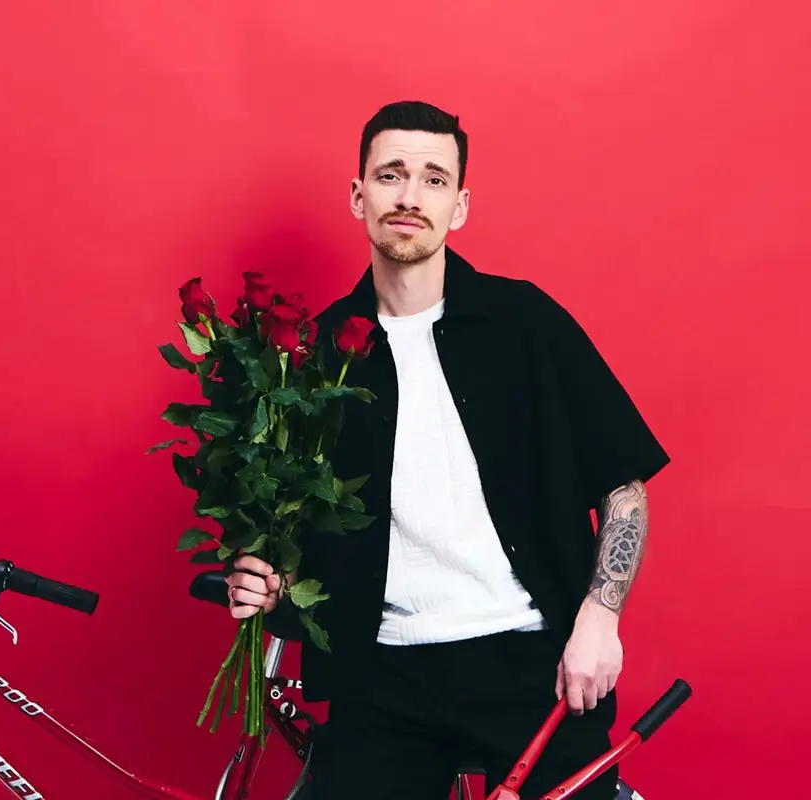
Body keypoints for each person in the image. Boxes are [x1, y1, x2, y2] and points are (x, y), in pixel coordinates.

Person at [223, 101, 670, 799]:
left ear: (458, 206)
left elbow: (623, 486)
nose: (410, 196)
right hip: (383, 674)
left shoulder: (525, 321)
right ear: (359, 196)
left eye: (434, 179)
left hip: (531, 659)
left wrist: (600, 618)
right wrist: (272, 588)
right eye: (391, 175)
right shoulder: (312, 357)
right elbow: (301, 537)